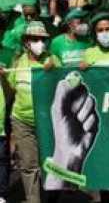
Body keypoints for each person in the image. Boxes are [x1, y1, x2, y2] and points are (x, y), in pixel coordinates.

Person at [3, 21, 57, 203]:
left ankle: (51, 197)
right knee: (28, 165)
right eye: (35, 39)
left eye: (42, 39)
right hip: (22, 122)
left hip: (47, 122)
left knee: (49, 164)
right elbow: (11, 88)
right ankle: (33, 200)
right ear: (26, 42)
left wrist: (54, 72)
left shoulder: (53, 60)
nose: (39, 42)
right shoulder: (17, 62)